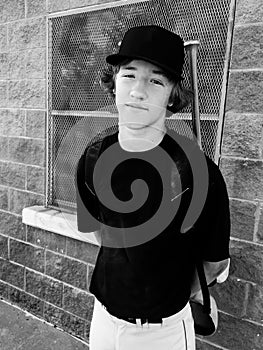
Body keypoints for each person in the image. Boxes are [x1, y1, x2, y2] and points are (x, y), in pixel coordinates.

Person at [75, 25, 230, 350]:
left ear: (173, 95)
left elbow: (214, 263)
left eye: (156, 80)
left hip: (164, 333)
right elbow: (99, 230)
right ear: (114, 82)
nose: (138, 91)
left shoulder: (202, 174)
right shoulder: (92, 157)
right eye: (129, 75)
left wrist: (162, 294)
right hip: (103, 322)